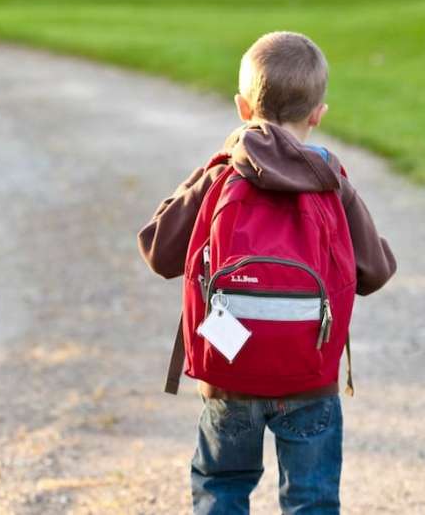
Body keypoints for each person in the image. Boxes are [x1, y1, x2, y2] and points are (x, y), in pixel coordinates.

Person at [138, 31, 396, 515]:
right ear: (318, 113)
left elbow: (158, 250)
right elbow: (375, 272)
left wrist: (207, 172)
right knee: (311, 499)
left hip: (230, 369)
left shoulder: (222, 173)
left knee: (222, 488)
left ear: (241, 107)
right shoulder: (331, 180)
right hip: (309, 375)